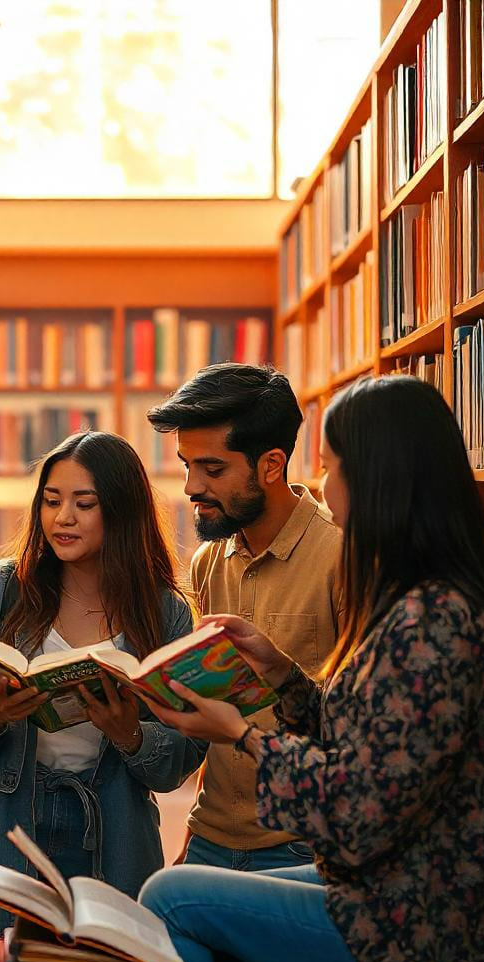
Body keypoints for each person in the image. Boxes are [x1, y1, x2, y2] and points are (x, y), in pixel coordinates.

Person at [139, 375, 484, 962]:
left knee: (169, 900)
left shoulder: (432, 623)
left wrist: (240, 734)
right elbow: (371, 743)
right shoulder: (418, 601)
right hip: (377, 891)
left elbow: (358, 807)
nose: (322, 486)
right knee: (164, 948)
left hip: (407, 928)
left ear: (378, 479)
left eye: (331, 467)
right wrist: (281, 674)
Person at [0, 431, 208, 937]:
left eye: (84, 503)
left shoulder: (163, 612)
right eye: (52, 501)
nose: (63, 518)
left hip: (113, 831)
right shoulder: (4, 589)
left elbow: (181, 759)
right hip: (5, 823)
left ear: (121, 510)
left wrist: (131, 734)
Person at [147, 363, 342, 874]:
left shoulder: (342, 557)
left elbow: (354, 726)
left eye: (212, 470)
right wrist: (194, 834)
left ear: (271, 465)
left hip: (300, 845)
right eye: (187, 465)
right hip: (211, 836)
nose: (191, 487)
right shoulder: (208, 562)